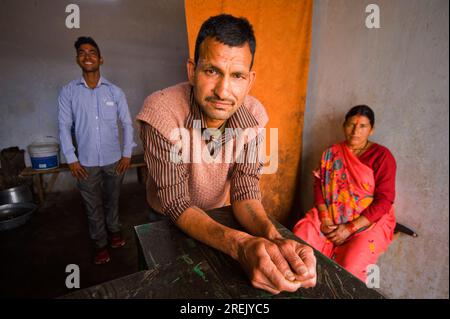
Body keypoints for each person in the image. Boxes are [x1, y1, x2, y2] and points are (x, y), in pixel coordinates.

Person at [136, 14, 317, 294]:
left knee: (216, 288)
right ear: (192, 70)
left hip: (220, 215)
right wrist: (241, 245)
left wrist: (274, 238)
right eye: (211, 71)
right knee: (168, 288)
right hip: (164, 218)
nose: (223, 90)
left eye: (236, 76)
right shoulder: (160, 113)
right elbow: (176, 203)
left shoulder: (256, 117)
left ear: (250, 80)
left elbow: (245, 190)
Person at [293, 105, 397, 282]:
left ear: (371, 130)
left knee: (351, 268)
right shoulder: (331, 153)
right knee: (301, 240)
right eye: (351, 124)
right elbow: (319, 185)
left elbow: (385, 200)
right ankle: (301, 286)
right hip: (330, 216)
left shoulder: (382, 156)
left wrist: (349, 228)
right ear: (344, 126)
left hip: (368, 221)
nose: (356, 131)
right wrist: (325, 218)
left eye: (363, 126)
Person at [58, 36, 136, 264]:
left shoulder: (114, 92)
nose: (87, 56)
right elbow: (63, 126)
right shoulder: (69, 92)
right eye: (82, 52)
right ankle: (100, 244)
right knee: (92, 206)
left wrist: (127, 153)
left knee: (112, 200)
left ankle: (114, 232)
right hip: (85, 163)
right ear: (77, 60)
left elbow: (127, 123)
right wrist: (71, 158)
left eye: (92, 52)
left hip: (115, 160)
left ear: (100, 59)